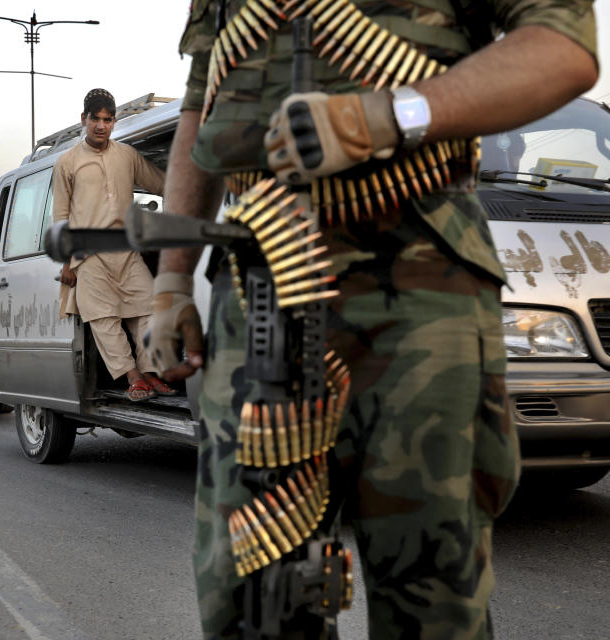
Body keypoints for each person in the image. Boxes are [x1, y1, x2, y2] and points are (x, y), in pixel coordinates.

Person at [147, 2, 598, 638]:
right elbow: (204, 103)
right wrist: (172, 277)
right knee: (251, 597)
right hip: (257, 288)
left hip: (421, 287)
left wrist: (390, 114)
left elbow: (562, 51)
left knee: (430, 591)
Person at [52, 88, 175, 401]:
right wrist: (67, 264)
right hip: (89, 256)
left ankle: (149, 373)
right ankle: (133, 379)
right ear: (84, 119)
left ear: (114, 121)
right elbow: (61, 216)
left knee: (150, 307)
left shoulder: (127, 155)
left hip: (126, 250)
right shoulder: (67, 163)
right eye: (96, 119)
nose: (101, 126)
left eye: (108, 119)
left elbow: (162, 184)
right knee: (103, 321)